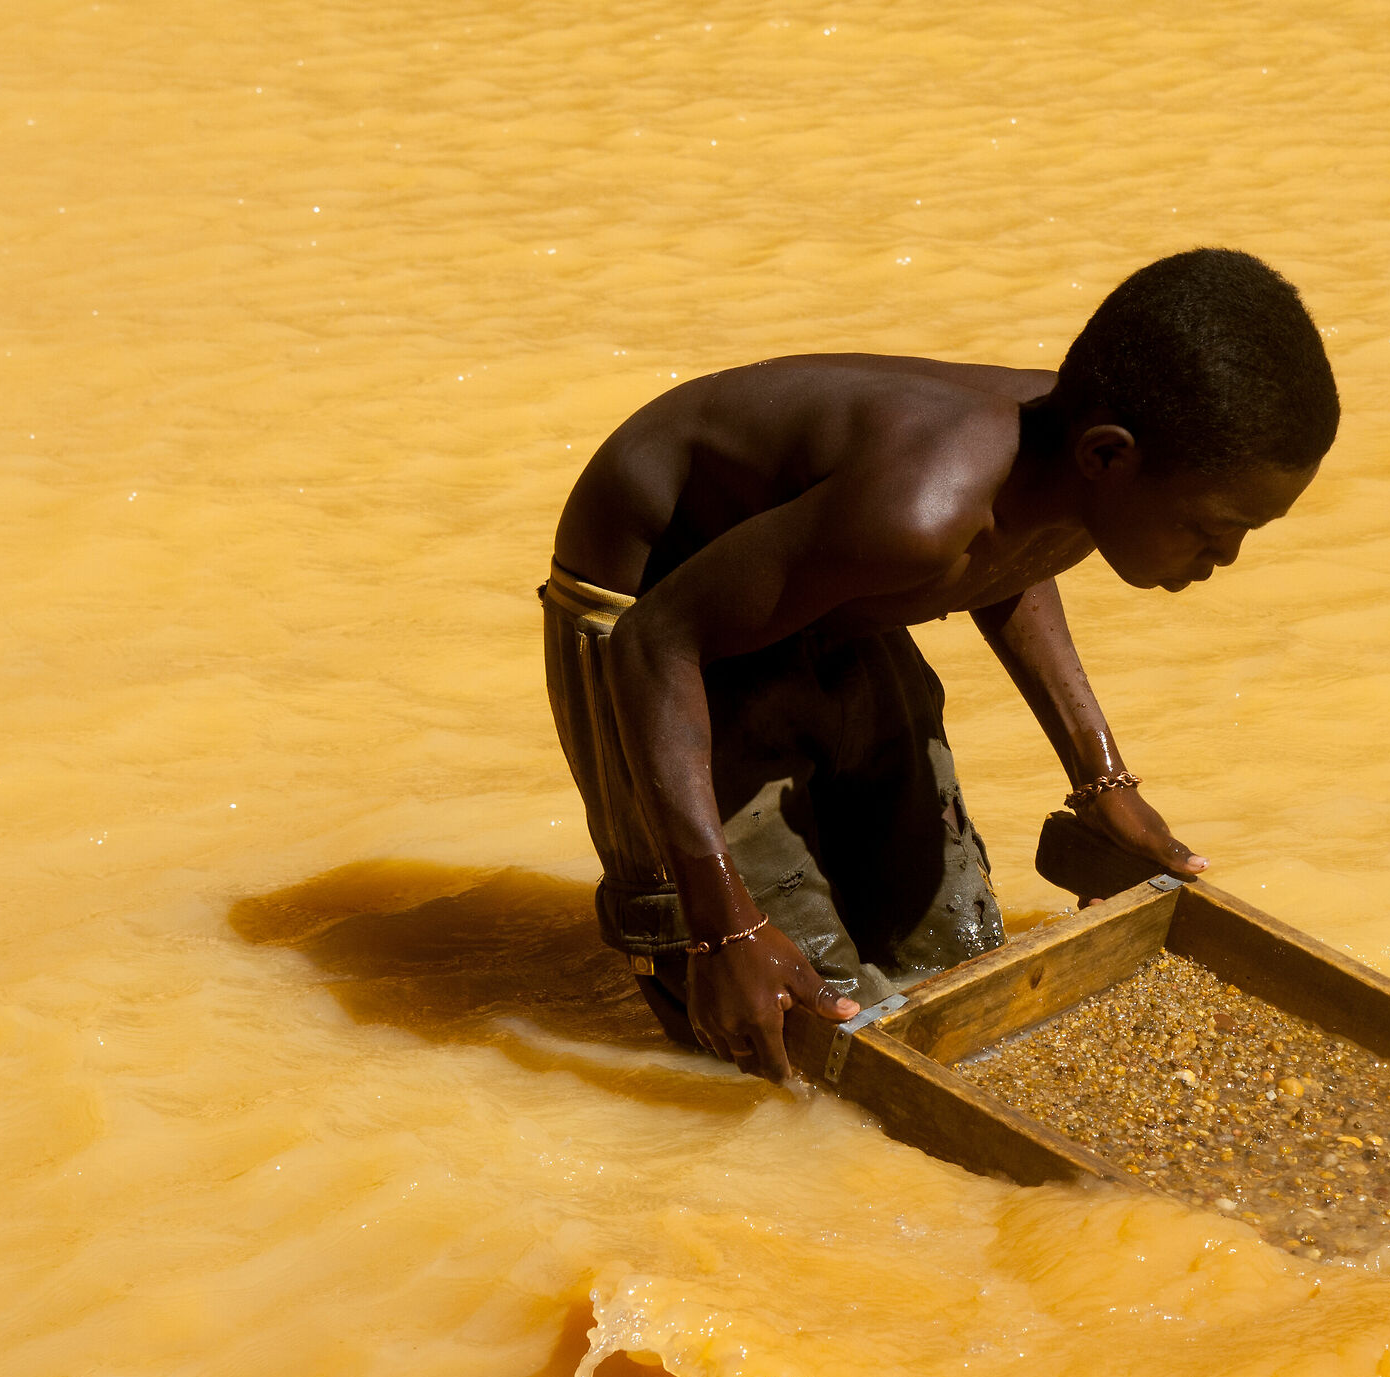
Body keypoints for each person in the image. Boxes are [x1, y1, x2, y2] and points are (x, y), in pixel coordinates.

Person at [541, 248, 1339, 1079]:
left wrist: (1103, 779)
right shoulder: (919, 510)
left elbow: (1015, 562)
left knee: (960, 966)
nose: (1230, 555)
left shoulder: (1078, 453)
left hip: (819, 585)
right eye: (1213, 527)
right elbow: (654, 645)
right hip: (659, 622)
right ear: (1107, 459)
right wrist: (723, 927)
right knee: (787, 1043)